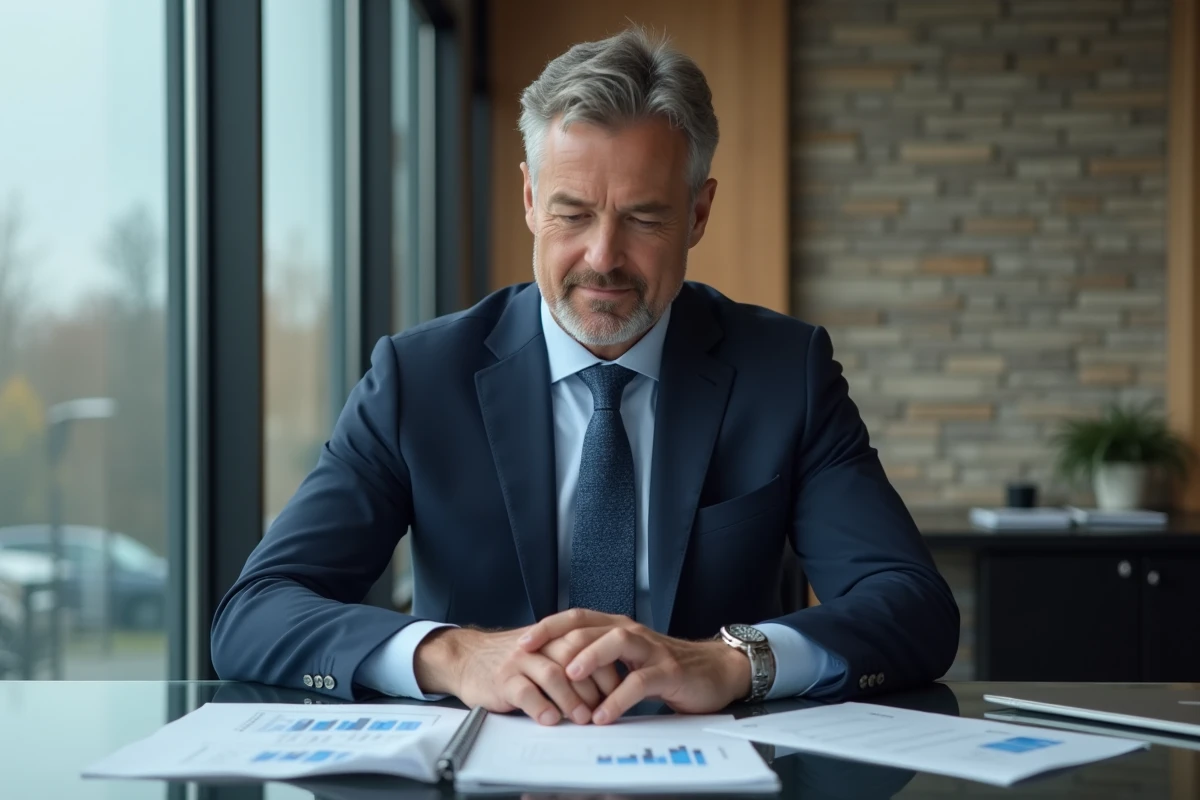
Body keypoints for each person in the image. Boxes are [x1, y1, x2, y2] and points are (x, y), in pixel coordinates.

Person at [211, 26, 959, 726]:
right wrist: (456, 655)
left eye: (643, 218)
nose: (603, 257)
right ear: (532, 200)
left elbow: (914, 607)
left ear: (699, 212)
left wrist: (731, 661)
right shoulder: (418, 377)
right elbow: (257, 611)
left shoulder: (783, 373)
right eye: (572, 214)